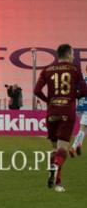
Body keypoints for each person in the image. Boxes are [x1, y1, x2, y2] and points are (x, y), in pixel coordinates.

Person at [34, 43, 87, 191]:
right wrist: (73, 96)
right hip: (67, 111)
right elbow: (84, 91)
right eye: (72, 54)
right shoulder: (75, 69)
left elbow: (37, 90)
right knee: (63, 148)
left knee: (54, 148)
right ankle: (56, 168)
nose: (73, 57)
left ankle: (56, 182)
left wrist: (48, 101)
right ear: (69, 54)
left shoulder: (47, 69)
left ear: (58, 55)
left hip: (52, 112)